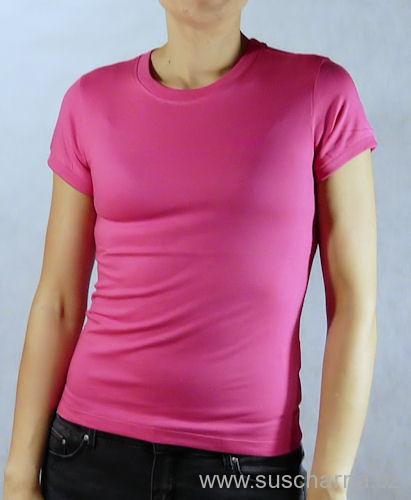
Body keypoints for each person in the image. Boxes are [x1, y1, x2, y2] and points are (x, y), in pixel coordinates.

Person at [3, 1, 378, 499]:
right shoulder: (90, 101)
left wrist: (329, 488)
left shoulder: (320, 94)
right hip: (89, 453)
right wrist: (17, 476)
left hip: (246, 471)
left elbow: (354, 306)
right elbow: (58, 302)